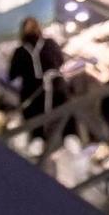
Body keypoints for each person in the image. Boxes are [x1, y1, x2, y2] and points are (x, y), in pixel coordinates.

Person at [5, 17, 70, 149]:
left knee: (37, 128)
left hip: (33, 93)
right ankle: (69, 139)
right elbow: (61, 61)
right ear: (39, 29)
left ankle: (38, 143)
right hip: (57, 88)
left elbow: (12, 76)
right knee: (63, 119)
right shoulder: (51, 43)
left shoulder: (20, 52)